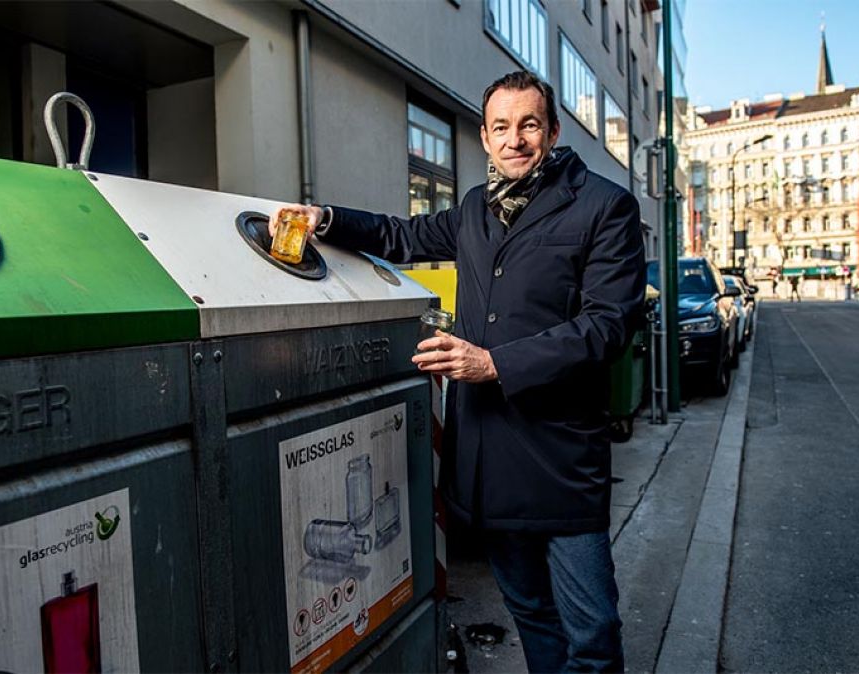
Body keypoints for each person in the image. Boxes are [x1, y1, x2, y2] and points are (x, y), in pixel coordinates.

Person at [270, 71, 645, 673]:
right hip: (489, 460)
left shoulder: (604, 206)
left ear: (551, 130)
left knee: (593, 635)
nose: (515, 139)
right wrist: (327, 219)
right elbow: (402, 234)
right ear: (484, 136)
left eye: (529, 125)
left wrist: (495, 363)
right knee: (530, 612)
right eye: (502, 127)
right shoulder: (476, 208)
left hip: (561, 461)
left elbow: (607, 327)